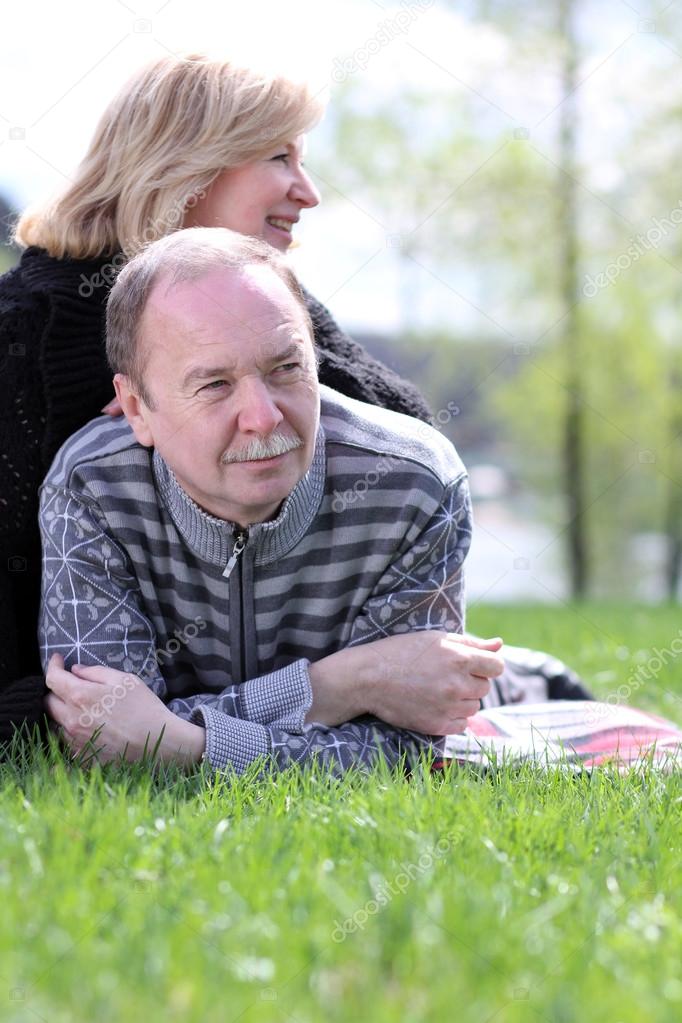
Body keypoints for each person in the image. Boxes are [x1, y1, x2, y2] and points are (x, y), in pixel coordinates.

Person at [0, 53, 442, 748]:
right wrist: (333, 687)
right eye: (280, 156)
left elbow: (407, 450)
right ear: (189, 169)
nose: (308, 191)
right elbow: (78, 701)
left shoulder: (258, 301)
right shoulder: (20, 345)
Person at [40, 227, 506, 774]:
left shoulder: (414, 483)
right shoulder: (94, 487)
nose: (263, 416)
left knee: (512, 684)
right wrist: (347, 683)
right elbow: (102, 732)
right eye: (214, 384)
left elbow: (406, 756)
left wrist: (184, 748)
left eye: (286, 368)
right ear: (138, 408)